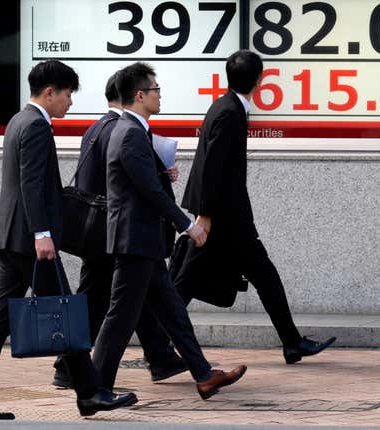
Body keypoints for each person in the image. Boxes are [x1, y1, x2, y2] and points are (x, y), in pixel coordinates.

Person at [0, 60, 136, 420]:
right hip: (29, 241)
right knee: (64, 314)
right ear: (50, 92)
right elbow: (32, 184)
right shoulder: (37, 125)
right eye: (68, 94)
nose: (70, 102)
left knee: (1, 319)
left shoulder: (18, 120)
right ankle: (89, 393)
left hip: (10, 236)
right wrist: (42, 233)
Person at [91, 62, 247, 400]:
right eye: (156, 90)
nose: (160, 95)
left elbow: (144, 182)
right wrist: (188, 225)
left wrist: (164, 174)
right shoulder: (129, 132)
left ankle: (204, 375)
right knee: (120, 316)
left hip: (142, 240)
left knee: (173, 312)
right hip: (134, 240)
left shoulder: (135, 130)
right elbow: (148, 191)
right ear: (139, 95)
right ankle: (95, 389)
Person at [180, 50, 337, 365]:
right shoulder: (229, 112)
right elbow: (214, 167)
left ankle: (292, 343)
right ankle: (153, 338)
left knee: (194, 280)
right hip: (224, 219)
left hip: (225, 217)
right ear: (259, 80)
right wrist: (206, 216)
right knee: (185, 281)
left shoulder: (226, 107)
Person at [52, 72, 187, 389]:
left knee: (131, 296)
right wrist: (161, 173)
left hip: (99, 228)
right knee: (101, 301)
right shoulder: (122, 129)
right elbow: (135, 179)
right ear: (131, 95)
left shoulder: (96, 127)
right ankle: (67, 367)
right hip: (113, 229)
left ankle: (161, 356)